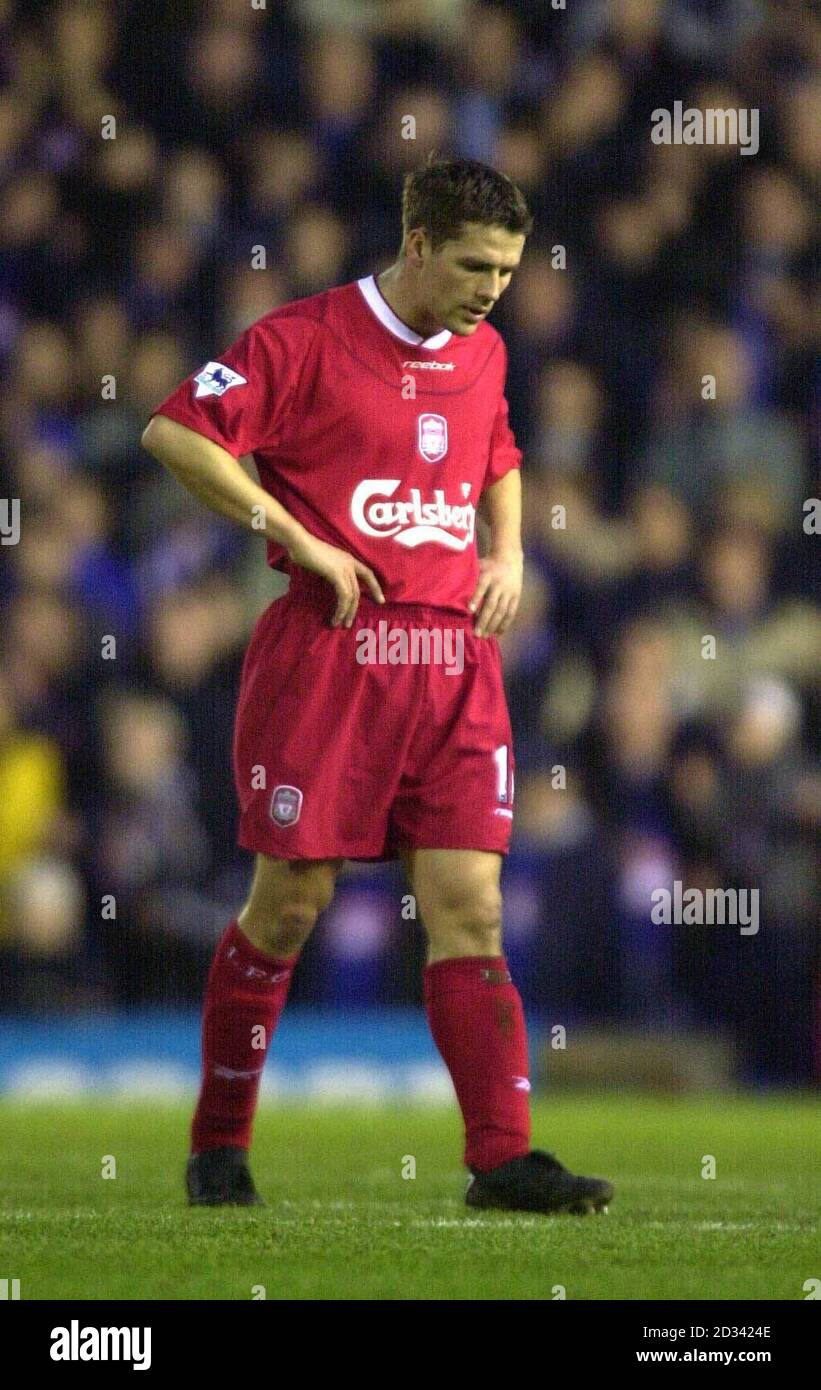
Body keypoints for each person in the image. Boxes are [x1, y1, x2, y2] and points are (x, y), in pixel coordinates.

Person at [141, 155, 614, 1216]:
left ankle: (500, 1159)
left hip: (452, 663)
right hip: (330, 657)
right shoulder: (299, 340)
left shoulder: (483, 351)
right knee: (289, 903)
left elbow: (496, 451)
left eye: (505, 267)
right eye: (474, 264)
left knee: (469, 907)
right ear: (415, 246)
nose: (493, 286)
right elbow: (173, 431)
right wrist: (294, 535)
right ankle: (218, 1142)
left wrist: (510, 555)